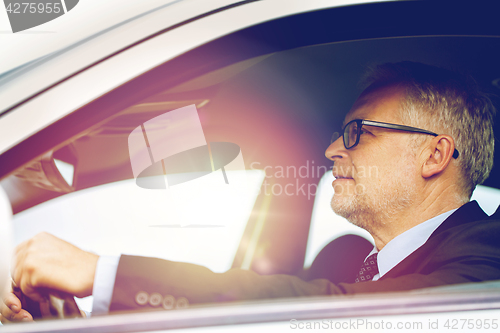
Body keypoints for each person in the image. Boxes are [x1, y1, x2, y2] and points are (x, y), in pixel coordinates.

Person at [2, 61, 500, 322]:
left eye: (356, 132)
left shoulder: (488, 260)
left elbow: (335, 313)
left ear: (434, 155)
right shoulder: (346, 263)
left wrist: (102, 273)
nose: (331, 151)